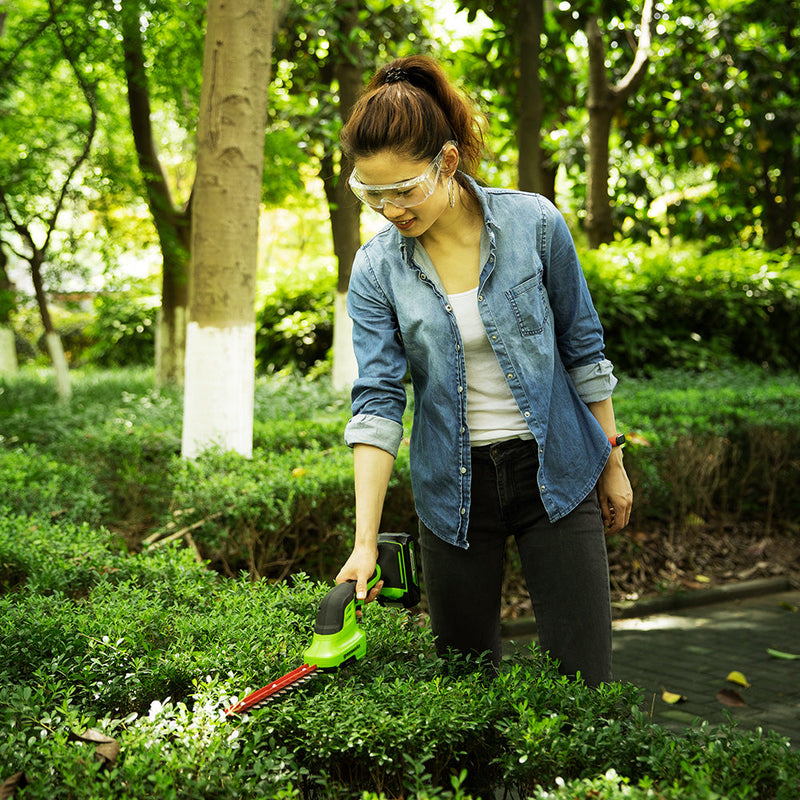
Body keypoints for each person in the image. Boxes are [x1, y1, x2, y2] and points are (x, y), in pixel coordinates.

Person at [334, 55, 632, 687]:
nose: (390, 209)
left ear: (446, 162)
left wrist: (613, 462)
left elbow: (583, 350)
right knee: (464, 688)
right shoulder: (376, 269)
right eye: (371, 193)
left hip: (556, 468)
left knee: (583, 682)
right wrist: (365, 541)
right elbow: (379, 401)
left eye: (404, 189)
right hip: (453, 486)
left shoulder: (534, 225)